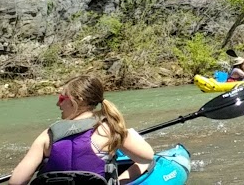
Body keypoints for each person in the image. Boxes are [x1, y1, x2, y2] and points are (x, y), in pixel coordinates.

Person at [9, 74, 155, 184]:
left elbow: (15, 182)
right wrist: (129, 134)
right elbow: (147, 157)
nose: (58, 104)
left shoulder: (48, 135)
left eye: (61, 98)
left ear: (77, 100)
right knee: (148, 164)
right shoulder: (108, 130)